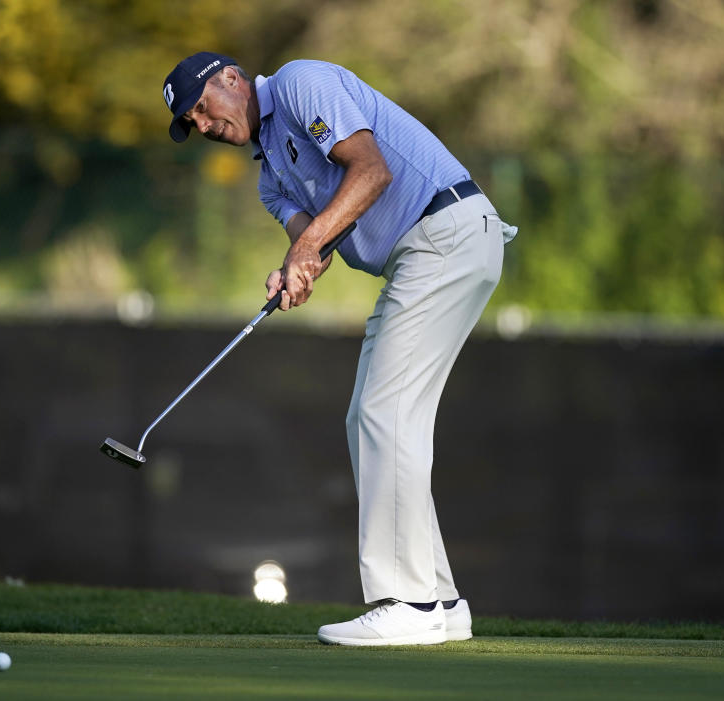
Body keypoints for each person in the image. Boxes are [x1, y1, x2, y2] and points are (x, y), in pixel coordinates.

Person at [162, 52, 517, 646]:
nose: (203, 125)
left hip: (445, 232)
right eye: (191, 124)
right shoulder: (269, 178)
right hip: (425, 255)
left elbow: (371, 171)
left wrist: (307, 249)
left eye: (202, 107)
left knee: (386, 413)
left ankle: (408, 601)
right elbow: (314, 242)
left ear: (231, 78)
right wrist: (294, 268)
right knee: (372, 417)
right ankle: (441, 600)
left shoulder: (302, 84)